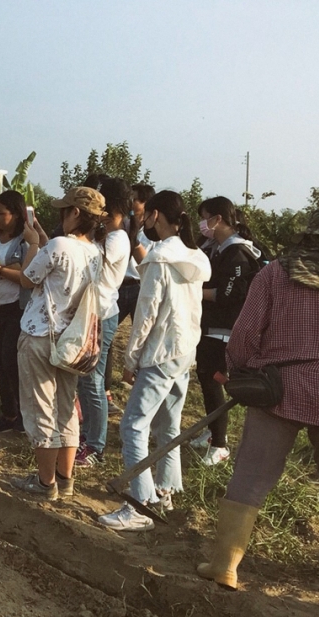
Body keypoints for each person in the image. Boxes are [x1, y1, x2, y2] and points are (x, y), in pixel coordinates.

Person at [197, 202, 319, 589]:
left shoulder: (275, 274)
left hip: (277, 388)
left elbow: (244, 336)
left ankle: (224, 563)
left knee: (251, 474)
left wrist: (244, 370)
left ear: (310, 234)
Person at [98, 190, 210, 531]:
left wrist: (132, 358)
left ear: (156, 215)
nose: (142, 220)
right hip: (184, 350)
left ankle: (139, 504)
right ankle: (164, 490)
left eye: (145, 215)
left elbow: (146, 314)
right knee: (168, 426)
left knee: (134, 424)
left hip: (161, 352)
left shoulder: (160, 259)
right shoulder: (194, 256)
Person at [9, 187, 103, 500]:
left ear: (76, 213)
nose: (60, 216)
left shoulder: (57, 245)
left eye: (65, 211)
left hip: (40, 335)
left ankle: (44, 483)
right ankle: (65, 479)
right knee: (66, 409)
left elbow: (28, 278)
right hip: (71, 342)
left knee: (40, 410)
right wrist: (45, 244)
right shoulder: (94, 252)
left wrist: (35, 244)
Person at [188, 197, 262, 466]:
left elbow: (230, 294)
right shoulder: (217, 248)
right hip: (211, 325)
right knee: (205, 378)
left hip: (224, 329)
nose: (202, 224)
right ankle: (212, 432)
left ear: (218, 219)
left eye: (205, 216)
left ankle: (220, 444)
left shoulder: (237, 253)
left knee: (212, 380)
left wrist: (191, 292)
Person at [75, 179, 132, 468]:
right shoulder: (107, 234)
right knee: (85, 379)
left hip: (102, 313)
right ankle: (87, 437)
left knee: (93, 380)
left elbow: (90, 260)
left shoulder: (117, 238)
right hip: (94, 312)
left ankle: (95, 445)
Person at [0, 190, 35, 434]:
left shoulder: (24, 242)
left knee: (10, 360)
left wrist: (0, 270)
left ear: (15, 215)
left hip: (16, 308)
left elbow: (27, 277)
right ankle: (9, 413)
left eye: (1, 213)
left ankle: (25, 415)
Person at [104, 183, 157, 414]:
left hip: (140, 287)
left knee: (145, 339)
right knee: (106, 338)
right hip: (119, 286)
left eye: (134, 199)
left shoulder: (153, 231)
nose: (130, 202)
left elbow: (150, 264)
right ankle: (105, 392)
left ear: (144, 204)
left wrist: (134, 240)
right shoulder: (122, 225)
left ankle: (141, 389)